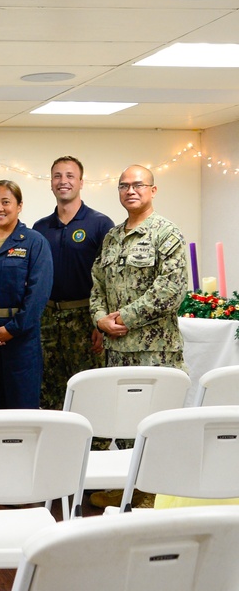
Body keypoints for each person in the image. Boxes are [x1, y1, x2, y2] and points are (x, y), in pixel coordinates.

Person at [88, 165, 188, 508]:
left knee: (154, 424)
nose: (130, 191)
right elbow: (97, 284)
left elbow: (171, 290)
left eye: (138, 185)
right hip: (117, 352)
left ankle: (155, 492)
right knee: (126, 423)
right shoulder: (113, 237)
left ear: (153, 190)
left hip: (154, 352)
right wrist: (100, 318)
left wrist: (124, 318)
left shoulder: (166, 233)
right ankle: (130, 486)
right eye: (124, 186)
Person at [32, 157, 114, 410]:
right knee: (50, 393)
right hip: (47, 321)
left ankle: (96, 449)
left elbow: (109, 279)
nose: (63, 181)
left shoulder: (100, 224)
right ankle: (57, 447)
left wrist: (100, 324)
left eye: (69, 176)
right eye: (57, 176)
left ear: (81, 182)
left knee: (89, 391)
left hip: (85, 320)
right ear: (51, 183)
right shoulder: (41, 228)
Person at [0, 181, 53, 410]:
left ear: (19, 206)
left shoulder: (35, 242)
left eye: (6, 202)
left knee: (22, 407)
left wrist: (12, 330)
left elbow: (38, 294)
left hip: (21, 338)